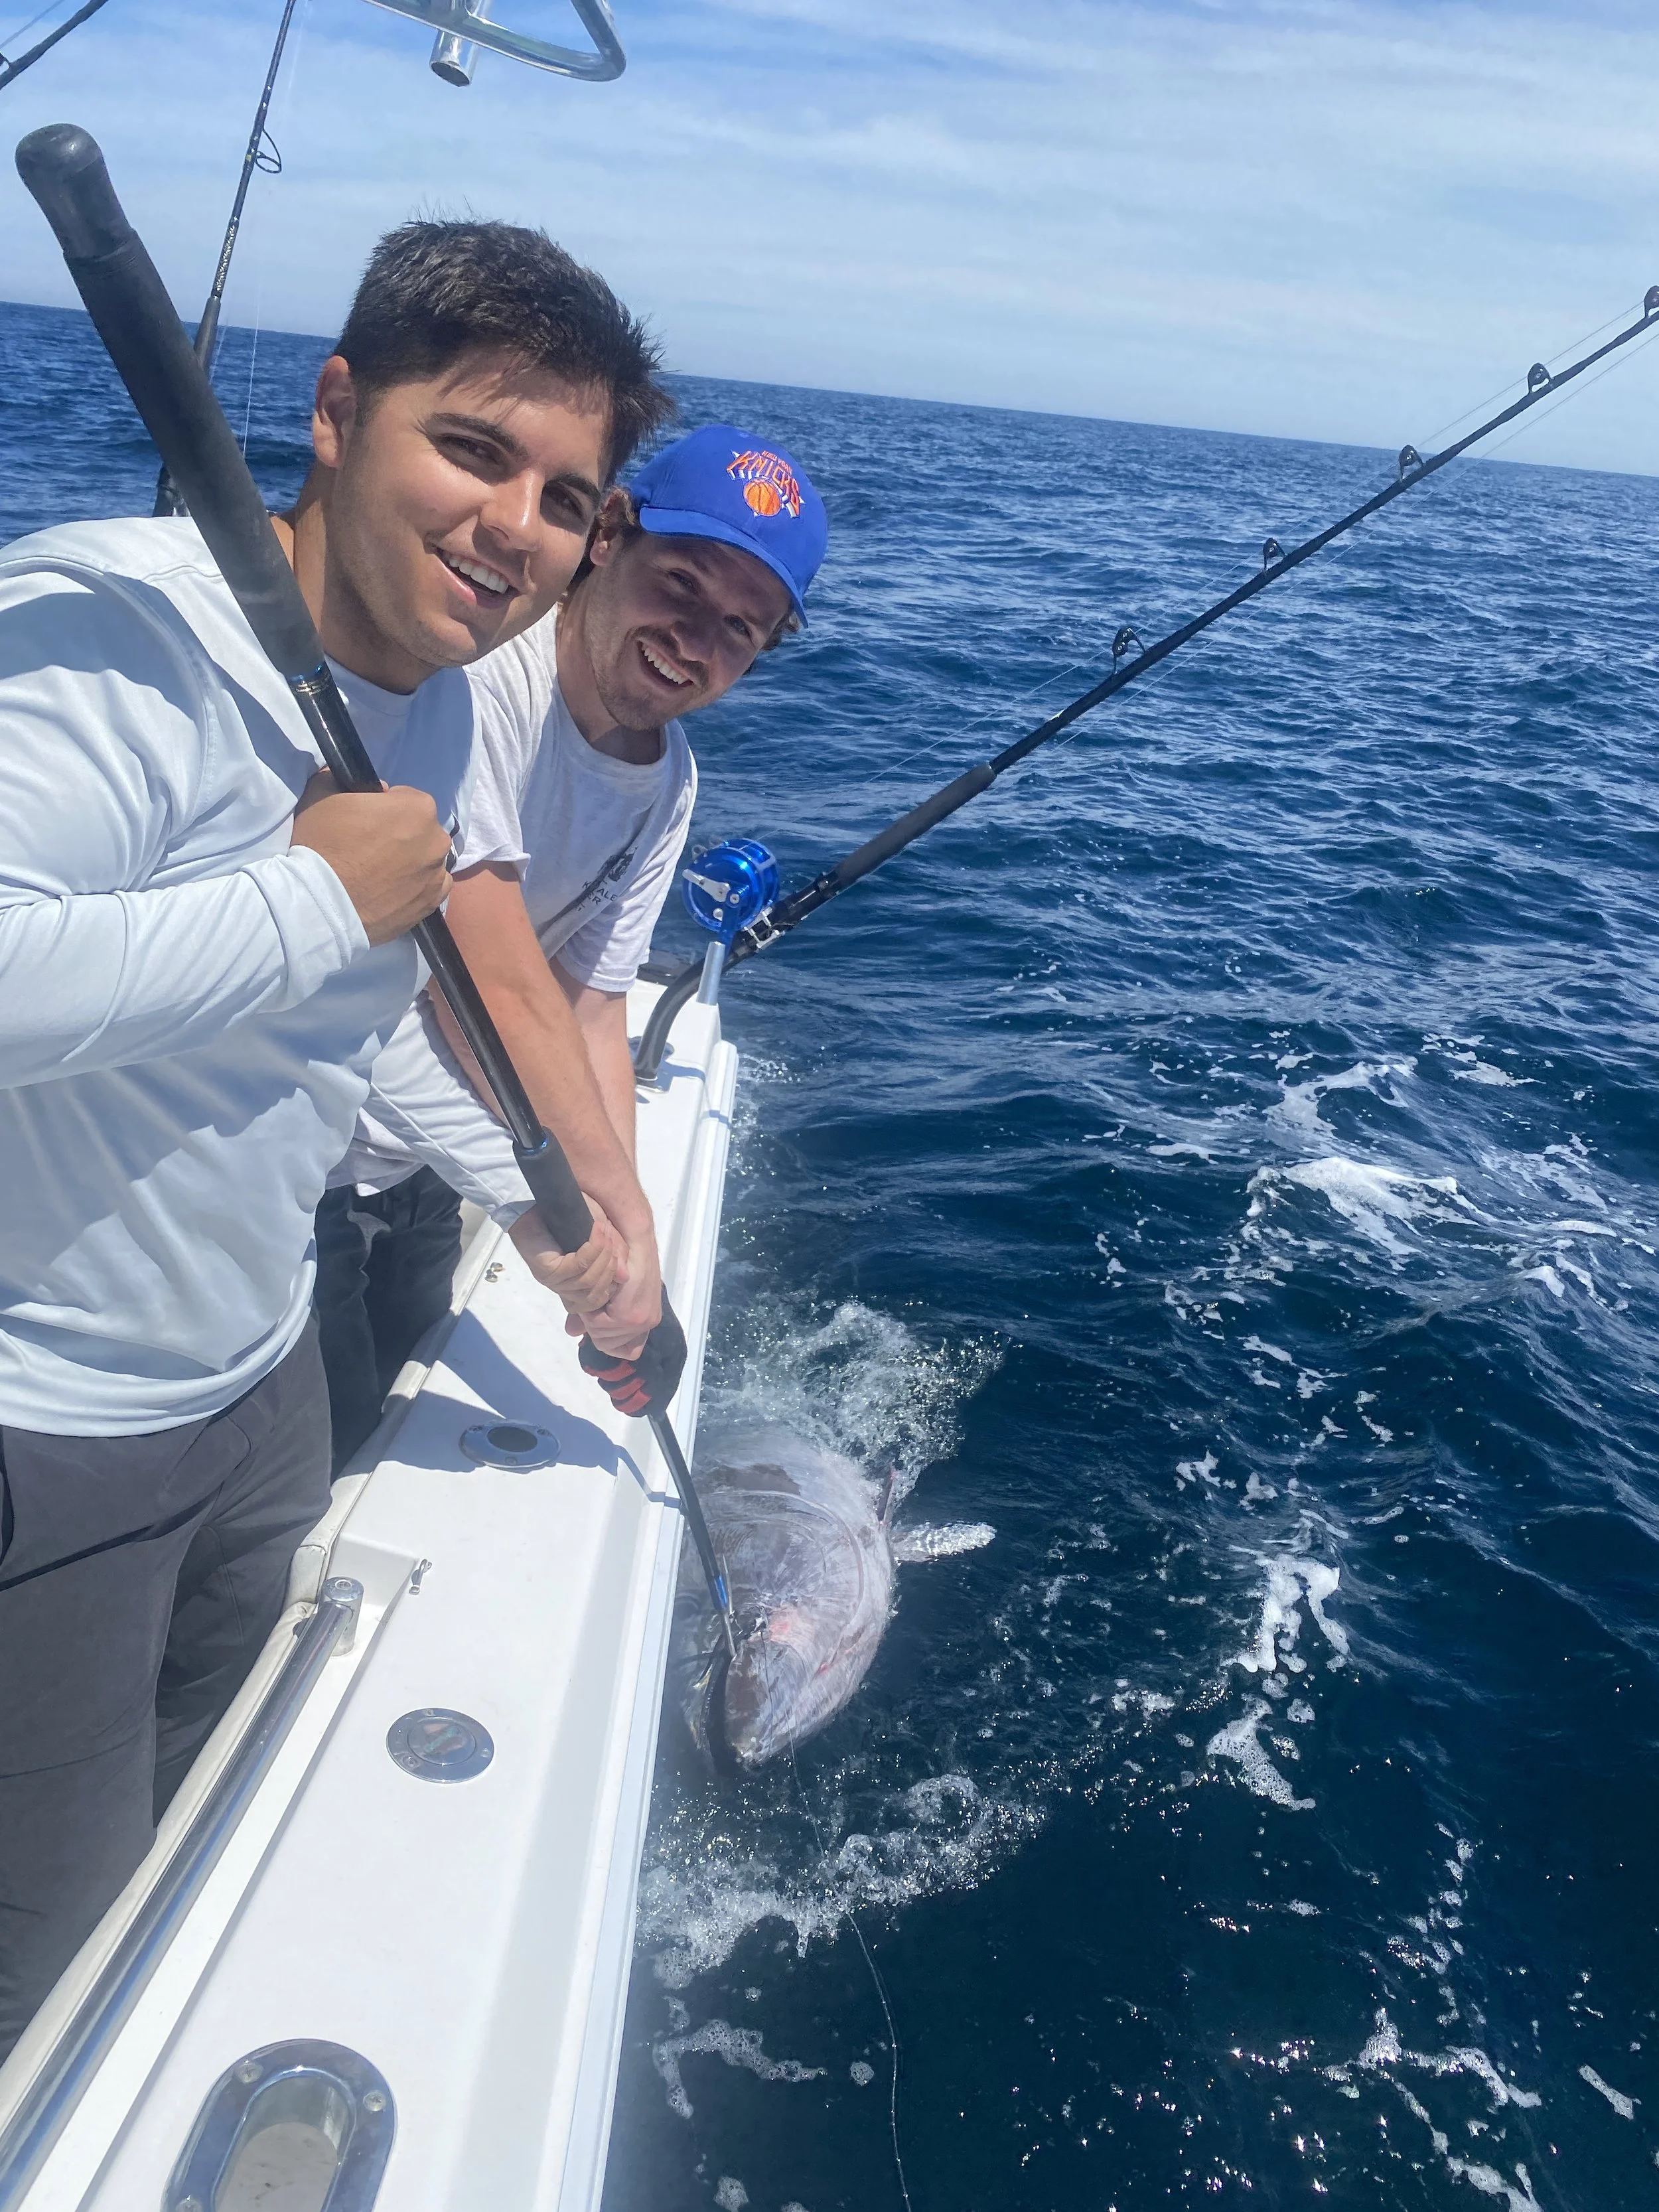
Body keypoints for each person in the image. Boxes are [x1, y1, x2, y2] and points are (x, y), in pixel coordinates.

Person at [0, 216, 676, 2059]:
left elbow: (355, 1018)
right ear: (334, 410)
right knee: (43, 1960)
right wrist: (308, 898)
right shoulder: (112, 638)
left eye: (565, 494)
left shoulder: (439, 700)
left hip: (255, 1386)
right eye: (472, 448)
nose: (515, 526)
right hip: (45, 1433)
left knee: (200, 1849)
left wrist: (527, 1197)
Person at [317, 424, 829, 1465]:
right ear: (611, 535)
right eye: (681, 584)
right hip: (305, 1146)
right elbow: (482, 978)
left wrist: (631, 1252)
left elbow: (593, 1004)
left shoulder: (669, 779)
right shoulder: (485, 676)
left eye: (741, 626)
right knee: (300, 1473)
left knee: (389, 1403)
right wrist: (611, 1230)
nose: (695, 638)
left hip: (428, 1158)